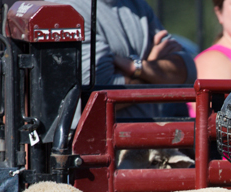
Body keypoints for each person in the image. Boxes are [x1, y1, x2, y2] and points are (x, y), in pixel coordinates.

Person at [52, 0, 197, 120]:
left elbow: (187, 72)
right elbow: (98, 98)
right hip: (96, 148)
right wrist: (153, 71)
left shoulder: (137, 5)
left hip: (149, 142)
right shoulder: (66, 9)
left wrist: (135, 67)